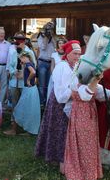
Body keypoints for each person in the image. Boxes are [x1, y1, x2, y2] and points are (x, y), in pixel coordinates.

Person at [35, 40, 78, 174]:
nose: (78, 56)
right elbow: (62, 91)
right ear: (68, 54)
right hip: (59, 104)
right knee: (58, 130)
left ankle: (63, 159)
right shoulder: (62, 67)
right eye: (75, 53)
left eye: (79, 54)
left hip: (69, 101)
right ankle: (58, 159)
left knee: (64, 131)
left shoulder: (75, 66)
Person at [64, 70, 110, 180]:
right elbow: (86, 95)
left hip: (90, 115)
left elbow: (101, 92)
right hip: (80, 114)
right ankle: (80, 172)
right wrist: (97, 79)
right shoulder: (75, 80)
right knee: (83, 142)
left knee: (89, 141)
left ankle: (90, 171)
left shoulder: (89, 82)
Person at [5, 51, 40, 135]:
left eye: (21, 58)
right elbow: (24, 75)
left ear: (24, 57)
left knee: (19, 109)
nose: (20, 60)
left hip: (29, 90)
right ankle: (28, 130)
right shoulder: (30, 64)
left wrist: (28, 80)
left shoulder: (28, 64)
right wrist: (18, 74)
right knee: (29, 109)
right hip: (31, 90)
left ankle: (17, 130)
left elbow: (33, 73)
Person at [36, 21, 57, 106]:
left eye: (51, 29)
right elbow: (43, 47)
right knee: (42, 85)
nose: (49, 31)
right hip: (42, 63)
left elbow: (57, 46)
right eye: (48, 29)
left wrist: (51, 36)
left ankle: (48, 102)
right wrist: (46, 37)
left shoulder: (53, 37)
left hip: (51, 63)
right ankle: (42, 102)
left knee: (49, 84)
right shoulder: (40, 37)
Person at [46, 38, 67, 103]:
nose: (61, 44)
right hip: (55, 76)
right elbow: (52, 66)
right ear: (57, 44)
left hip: (65, 77)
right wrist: (54, 76)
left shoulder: (67, 54)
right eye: (59, 43)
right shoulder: (54, 54)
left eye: (62, 43)